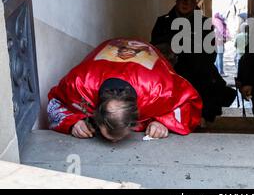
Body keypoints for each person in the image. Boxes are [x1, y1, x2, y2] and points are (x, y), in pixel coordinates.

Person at [47, 39, 202, 142]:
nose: (115, 142)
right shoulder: (79, 83)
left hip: (147, 70)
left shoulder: (160, 89)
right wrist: (73, 122)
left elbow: (189, 101)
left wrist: (162, 122)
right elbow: (56, 100)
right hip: (109, 50)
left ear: (137, 117)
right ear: (95, 114)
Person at [151, 0, 236, 123]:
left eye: (189, 0)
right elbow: (155, 49)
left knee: (201, 115)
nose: (184, 3)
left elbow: (210, 53)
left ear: (195, 3)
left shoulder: (204, 24)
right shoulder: (163, 22)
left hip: (199, 78)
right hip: (172, 77)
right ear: (176, 1)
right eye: (181, 0)